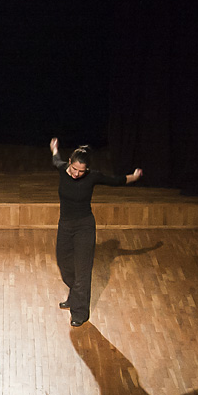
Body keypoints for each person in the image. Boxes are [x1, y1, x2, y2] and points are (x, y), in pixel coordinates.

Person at [50, 137, 143, 327]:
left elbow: (115, 181)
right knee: (64, 264)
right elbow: (56, 159)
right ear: (70, 162)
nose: (77, 174)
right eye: (74, 169)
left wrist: (133, 177)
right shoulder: (62, 168)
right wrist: (54, 148)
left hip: (84, 227)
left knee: (82, 272)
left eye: (81, 171)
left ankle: (79, 313)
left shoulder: (92, 176)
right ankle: (75, 295)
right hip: (65, 225)